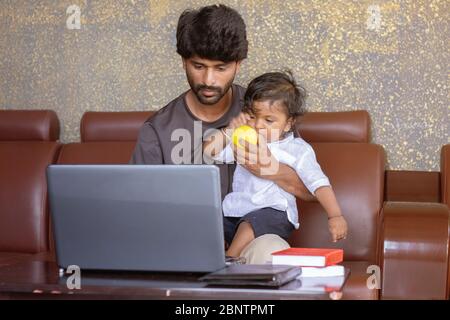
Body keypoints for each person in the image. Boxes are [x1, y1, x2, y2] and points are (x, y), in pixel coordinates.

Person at [130, 4, 313, 201]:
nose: (208, 80)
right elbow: (138, 202)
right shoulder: (158, 129)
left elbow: (313, 192)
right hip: (189, 230)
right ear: (184, 61)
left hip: (256, 229)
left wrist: (271, 169)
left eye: (220, 68)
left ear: (238, 65)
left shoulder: (267, 112)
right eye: (198, 66)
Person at [203, 71, 348, 257]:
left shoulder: (296, 149)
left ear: (288, 123)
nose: (259, 125)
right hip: (236, 211)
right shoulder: (245, 140)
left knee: (250, 224)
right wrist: (229, 131)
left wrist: (335, 215)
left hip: (274, 213)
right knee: (208, 224)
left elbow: (319, 183)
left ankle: (229, 260)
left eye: (269, 120)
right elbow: (210, 151)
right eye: (253, 116)